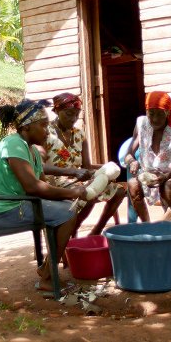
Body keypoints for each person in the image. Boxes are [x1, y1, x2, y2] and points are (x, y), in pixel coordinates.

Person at [0, 98, 86, 292]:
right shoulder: (13, 144)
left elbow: (43, 184)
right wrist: (73, 192)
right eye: (43, 126)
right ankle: (47, 275)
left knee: (66, 207)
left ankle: (47, 268)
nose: (47, 130)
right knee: (69, 213)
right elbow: (33, 187)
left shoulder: (32, 151)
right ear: (27, 127)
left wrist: (66, 195)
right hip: (0, 212)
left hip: (15, 205)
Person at [39, 93, 125, 237]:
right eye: (69, 114)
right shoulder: (45, 133)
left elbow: (87, 166)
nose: (73, 119)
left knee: (119, 191)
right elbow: (40, 167)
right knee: (87, 196)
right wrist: (73, 173)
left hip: (78, 180)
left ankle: (96, 231)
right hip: (55, 183)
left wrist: (105, 171)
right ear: (57, 111)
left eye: (76, 114)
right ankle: (70, 232)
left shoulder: (80, 135)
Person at [125, 91, 171, 222]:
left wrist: (165, 177)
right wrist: (132, 161)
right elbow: (128, 154)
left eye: (160, 114)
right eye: (151, 114)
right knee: (132, 184)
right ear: (146, 112)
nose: (155, 119)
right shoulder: (141, 124)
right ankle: (148, 226)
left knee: (167, 186)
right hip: (149, 174)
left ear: (167, 112)